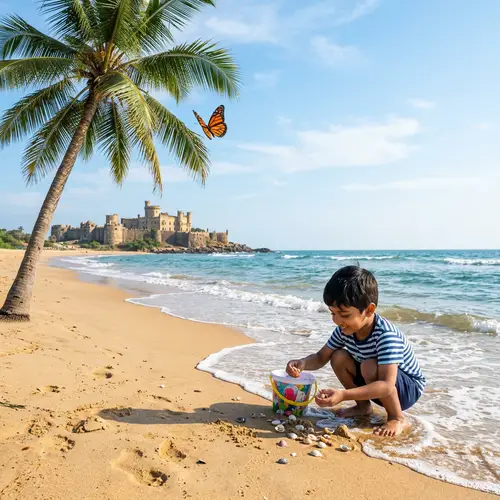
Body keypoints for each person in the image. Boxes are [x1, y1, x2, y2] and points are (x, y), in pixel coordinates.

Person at [286, 265, 425, 437]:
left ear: (369, 310)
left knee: (368, 365)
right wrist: (303, 363)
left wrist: (343, 395)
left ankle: (397, 417)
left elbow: (387, 385)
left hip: (406, 388)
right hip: (376, 381)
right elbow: (322, 356)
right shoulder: (344, 331)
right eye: (332, 313)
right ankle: (363, 407)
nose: (337, 320)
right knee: (338, 357)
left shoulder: (386, 335)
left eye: (344, 315)